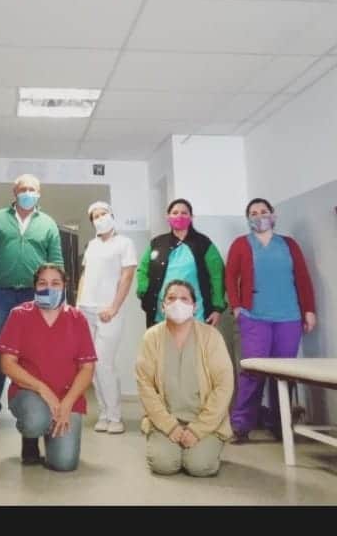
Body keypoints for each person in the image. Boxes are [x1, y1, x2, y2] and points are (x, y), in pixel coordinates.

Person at [0, 174, 64, 434]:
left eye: (32, 189)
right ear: (14, 192)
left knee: (38, 352)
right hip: (3, 294)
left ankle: (40, 408)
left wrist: (58, 296)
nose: (27, 193)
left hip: (37, 295)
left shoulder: (47, 223)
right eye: (23, 189)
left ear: (39, 193)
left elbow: (56, 261)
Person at [226, 198, 317, 443]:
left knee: (284, 373)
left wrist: (309, 310)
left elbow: (302, 277)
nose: (259, 216)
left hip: (289, 317)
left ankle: (281, 424)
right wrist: (237, 307)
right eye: (254, 213)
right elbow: (230, 276)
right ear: (248, 219)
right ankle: (241, 426)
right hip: (255, 317)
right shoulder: (241, 244)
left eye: (264, 211)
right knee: (252, 372)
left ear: (273, 215)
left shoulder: (289, 244)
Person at [0, 264, 96, 471]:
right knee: (35, 420)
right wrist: (44, 390)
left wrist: (67, 403)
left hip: (67, 396)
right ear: (34, 287)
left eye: (55, 283)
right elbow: (7, 364)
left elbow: (87, 368)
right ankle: (31, 436)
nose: (49, 288)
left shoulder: (77, 319)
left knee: (64, 464)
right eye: (43, 283)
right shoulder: (19, 315)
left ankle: (51, 431)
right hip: (29, 393)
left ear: (65, 286)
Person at [136, 280, 234, 477]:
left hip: (205, 422)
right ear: (163, 306)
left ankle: (203, 447)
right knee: (164, 465)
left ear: (194, 306)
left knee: (199, 466)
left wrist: (198, 430)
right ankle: (168, 446)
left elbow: (224, 385)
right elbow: (145, 385)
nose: (177, 303)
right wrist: (169, 427)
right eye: (171, 298)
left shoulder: (211, 337)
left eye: (184, 299)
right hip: (165, 422)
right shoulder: (152, 337)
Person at [76, 201, 137, 435]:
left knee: (104, 363)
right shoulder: (92, 246)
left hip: (108, 311)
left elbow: (127, 276)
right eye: (95, 216)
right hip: (86, 310)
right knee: (90, 364)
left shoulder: (124, 243)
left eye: (104, 214)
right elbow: (85, 276)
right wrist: (77, 305)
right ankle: (103, 413)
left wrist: (114, 307)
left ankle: (115, 416)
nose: (100, 218)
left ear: (112, 215)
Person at [136, 198, 225, 328]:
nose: (179, 216)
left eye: (184, 213)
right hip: (161, 313)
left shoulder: (203, 243)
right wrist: (143, 290)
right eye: (175, 213)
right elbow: (143, 269)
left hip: (197, 313)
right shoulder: (157, 243)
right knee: (163, 341)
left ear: (191, 217)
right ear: (168, 217)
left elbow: (217, 275)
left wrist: (217, 308)